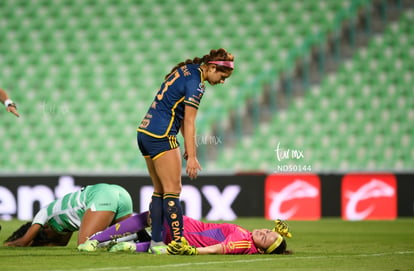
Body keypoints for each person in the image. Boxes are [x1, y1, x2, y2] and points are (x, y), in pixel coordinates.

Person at [136, 48, 234, 253]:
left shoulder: (186, 70)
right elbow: (189, 121)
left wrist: (188, 150)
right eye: (222, 76)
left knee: (159, 190)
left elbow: (178, 113)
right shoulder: (197, 84)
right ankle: (178, 242)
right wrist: (193, 157)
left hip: (145, 132)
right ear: (212, 67)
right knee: (173, 191)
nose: (222, 81)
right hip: (162, 135)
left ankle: (156, 243)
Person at [79, 211, 293, 255]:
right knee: (156, 237)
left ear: (263, 250)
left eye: (266, 238)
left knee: (148, 216)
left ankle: (94, 240)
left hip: (184, 229)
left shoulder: (243, 242)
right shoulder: (247, 239)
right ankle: (130, 245)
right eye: (267, 230)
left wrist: (193, 252)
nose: (264, 232)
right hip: (181, 237)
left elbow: (218, 249)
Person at [3, 183, 133, 247]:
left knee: (85, 245)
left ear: (44, 228)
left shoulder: (44, 213)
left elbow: (24, 241)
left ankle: (142, 233)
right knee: (128, 236)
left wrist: (9, 244)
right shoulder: (64, 224)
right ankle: (142, 235)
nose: (54, 238)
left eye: (45, 236)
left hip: (101, 196)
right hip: (119, 192)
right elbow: (60, 243)